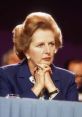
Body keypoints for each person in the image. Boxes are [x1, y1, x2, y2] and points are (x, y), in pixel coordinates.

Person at [0, 12, 78, 101]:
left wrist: (51, 87)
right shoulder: (6, 75)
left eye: (51, 44)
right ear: (26, 51)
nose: (48, 51)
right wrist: (37, 87)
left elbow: (70, 114)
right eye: (40, 45)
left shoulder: (68, 79)